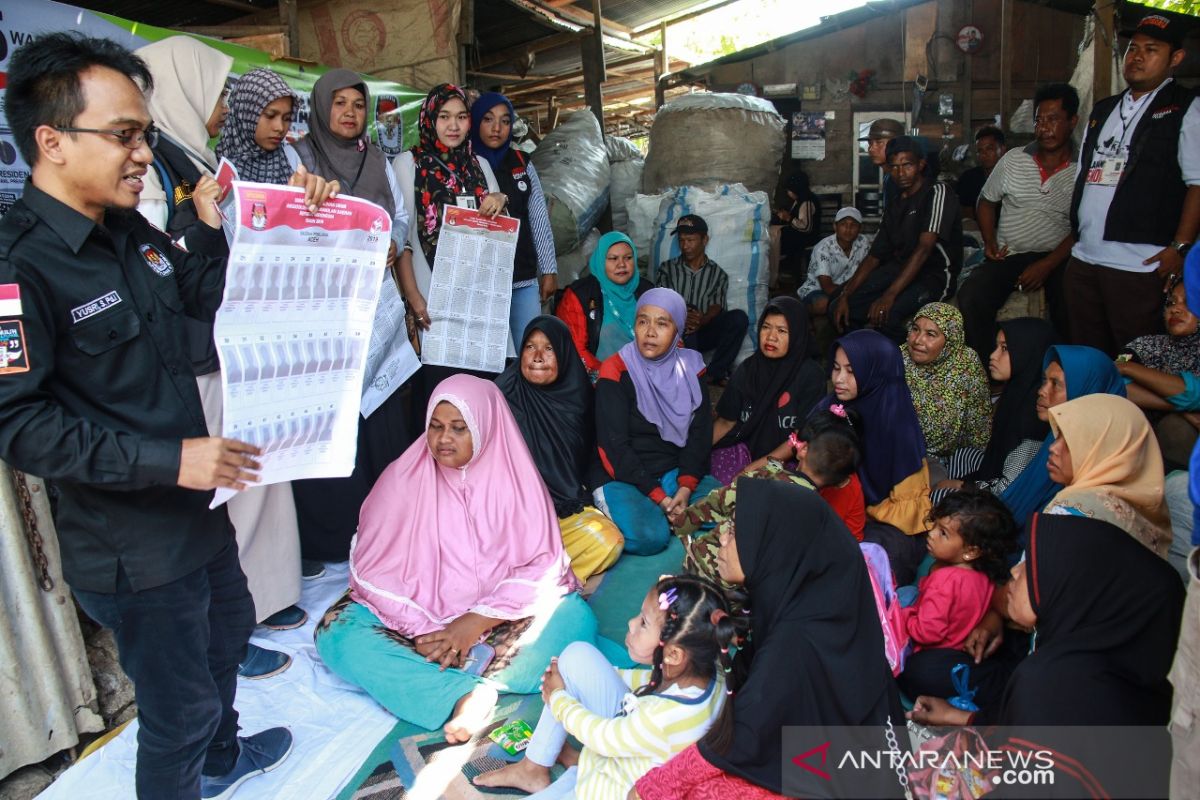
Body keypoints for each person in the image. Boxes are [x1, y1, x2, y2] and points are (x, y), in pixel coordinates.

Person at [0, 33, 339, 797]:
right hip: (131, 547)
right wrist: (171, 459)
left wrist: (293, 220)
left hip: (197, 511)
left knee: (227, 640)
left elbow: (210, 300)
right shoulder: (17, 265)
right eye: (123, 134)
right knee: (176, 711)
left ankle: (221, 760)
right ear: (51, 141)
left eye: (145, 133)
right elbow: (19, 425)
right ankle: (191, 768)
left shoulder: (131, 234)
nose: (142, 152)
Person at [135, 36, 306, 679]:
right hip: (196, 353)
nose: (224, 103)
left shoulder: (189, 155)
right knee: (228, 486)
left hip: (224, 335)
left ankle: (263, 599)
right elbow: (163, 268)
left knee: (255, 470)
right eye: (219, 90)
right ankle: (236, 622)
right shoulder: (154, 167)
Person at [314, 375, 594, 742]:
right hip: (413, 618)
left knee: (574, 618)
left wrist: (471, 625)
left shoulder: (516, 481)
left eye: (459, 428)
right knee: (336, 633)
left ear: (485, 427)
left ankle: (441, 671)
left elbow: (544, 566)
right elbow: (371, 568)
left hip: (496, 618)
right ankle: (464, 692)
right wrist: (425, 629)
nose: (444, 439)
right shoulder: (402, 479)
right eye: (436, 426)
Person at [633, 480, 905, 800]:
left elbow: (746, 733)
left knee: (702, 791)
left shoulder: (797, 640)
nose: (722, 537)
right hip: (841, 744)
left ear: (773, 544)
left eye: (735, 532)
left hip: (842, 771)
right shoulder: (797, 595)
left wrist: (651, 788)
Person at [910, 513, 1183, 799]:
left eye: (1035, 568)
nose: (1015, 573)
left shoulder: (1051, 684)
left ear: (1077, 589)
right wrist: (957, 716)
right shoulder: (1123, 682)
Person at [283, 68, 415, 565]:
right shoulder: (298, 157)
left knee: (380, 417)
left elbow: (399, 216)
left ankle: (389, 529)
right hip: (322, 312)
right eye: (339, 103)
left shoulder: (378, 160)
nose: (349, 113)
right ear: (320, 107)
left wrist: (394, 242)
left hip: (374, 308)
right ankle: (338, 537)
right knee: (334, 420)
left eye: (358, 105)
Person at [473, 575, 740, 799]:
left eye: (643, 623)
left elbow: (603, 737)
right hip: (631, 754)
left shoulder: (662, 716)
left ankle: (573, 765)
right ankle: (534, 768)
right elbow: (650, 682)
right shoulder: (707, 671)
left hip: (609, 789)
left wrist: (559, 698)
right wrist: (587, 679)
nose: (631, 623)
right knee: (576, 656)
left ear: (673, 655)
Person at [1066, 13, 1199, 357]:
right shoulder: (1104, 108)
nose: (1136, 56)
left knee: (1134, 358)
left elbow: (1198, 183)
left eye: (1151, 49)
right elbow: (1084, 172)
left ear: (1176, 59)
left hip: (1138, 263)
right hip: (1085, 258)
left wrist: (1180, 247)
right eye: (1132, 49)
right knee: (1087, 354)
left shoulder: (1186, 107)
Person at [391, 83, 507, 417]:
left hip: (478, 299)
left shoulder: (480, 166)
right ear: (430, 119)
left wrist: (501, 200)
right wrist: (414, 300)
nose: (453, 126)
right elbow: (405, 237)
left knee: (478, 392)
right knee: (438, 394)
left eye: (460, 117)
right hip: (433, 299)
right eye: (444, 116)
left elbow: (500, 232)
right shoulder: (409, 164)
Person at [677, 408, 865, 604]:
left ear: (802, 450)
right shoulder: (820, 517)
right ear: (839, 482)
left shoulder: (764, 475)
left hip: (697, 565)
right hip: (735, 595)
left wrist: (682, 524)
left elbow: (714, 504)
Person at [496, 316, 624, 582]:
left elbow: (592, 455)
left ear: (564, 353)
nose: (538, 356)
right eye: (530, 347)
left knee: (608, 541)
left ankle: (530, 583)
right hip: (507, 513)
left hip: (561, 510)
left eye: (549, 348)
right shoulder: (501, 394)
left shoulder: (581, 396)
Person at [593, 288, 720, 556]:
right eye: (643, 321)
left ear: (678, 331)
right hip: (623, 475)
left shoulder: (690, 367)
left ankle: (672, 510)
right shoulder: (616, 369)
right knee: (650, 538)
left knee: (727, 509)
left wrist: (685, 487)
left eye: (662, 323)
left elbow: (699, 433)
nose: (650, 332)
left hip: (673, 471)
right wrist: (660, 497)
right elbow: (614, 447)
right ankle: (662, 514)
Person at [957, 84, 1079, 362]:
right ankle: (989, 371)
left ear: (1072, 121)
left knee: (1070, 303)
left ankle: (1061, 371)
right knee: (972, 295)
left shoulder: (1083, 167)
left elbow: (1083, 227)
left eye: (1053, 119)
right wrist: (989, 242)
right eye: (1039, 120)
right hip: (1010, 255)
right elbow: (985, 202)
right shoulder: (1013, 159)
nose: (1044, 127)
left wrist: (1046, 265)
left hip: (1058, 257)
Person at [824, 330, 931, 585]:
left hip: (885, 525)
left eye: (851, 371)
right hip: (838, 508)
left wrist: (857, 514)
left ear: (875, 373)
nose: (839, 379)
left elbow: (906, 515)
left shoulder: (898, 426)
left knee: (870, 562)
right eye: (836, 368)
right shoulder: (832, 407)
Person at [831, 137, 962, 341]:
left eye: (907, 165)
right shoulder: (895, 203)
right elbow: (875, 256)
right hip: (901, 270)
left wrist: (889, 295)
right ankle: (858, 364)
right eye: (894, 167)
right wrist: (845, 295)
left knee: (888, 315)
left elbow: (924, 249)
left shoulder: (937, 192)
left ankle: (905, 368)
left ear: (921, 165)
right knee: (842, 307)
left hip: (933, 274)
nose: (900, 173)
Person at [999, 345, 1127, 533]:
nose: (1042, 391)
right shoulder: (1055, 439)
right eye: (1044, 381)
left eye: (1056, 384)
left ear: (1086, 390)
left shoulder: (1095, 470)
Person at [935, 318, 1059, 499]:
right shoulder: (1017, 390)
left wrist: (965, 486)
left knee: (939, 495)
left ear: (1027, 351)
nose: (993, 355)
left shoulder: (1035, 411)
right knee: (962, 455)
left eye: (1005, 349)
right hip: (996, 477)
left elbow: (1010, 487)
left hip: (1005, 496)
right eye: (996, 347)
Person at [471, 92, 558, 346]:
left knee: (528, 348)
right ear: (475, 122)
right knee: (491, 354)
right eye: (488, 119)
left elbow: (539, 218)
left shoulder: (521, 162)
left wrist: (549, 269)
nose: (497, 128)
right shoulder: (466, 165)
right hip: (483, 283)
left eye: (505, 121)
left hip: (523, 277)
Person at [709, 297, 825, 483]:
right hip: (743, 449)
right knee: (713, 486)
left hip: (785, 459)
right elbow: (725, 422)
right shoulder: (749, 369)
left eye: (781, 331)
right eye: (766, 327)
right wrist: (694, 454)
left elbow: (798, 437)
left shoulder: (811, 376)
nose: (771, 337)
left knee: (772, 495)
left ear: (797, 335)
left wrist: (751, 469)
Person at [1044, 393, 1173, 558]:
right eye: (1058, 437)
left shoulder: (1069, 513)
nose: (1053, 448)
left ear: (1107, 450)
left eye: (1071, 441)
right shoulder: (1143, 505)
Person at [900, 490, 1016, 654]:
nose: (931, 534)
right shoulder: (985, 576)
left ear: (971, 551)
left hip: (924, 651)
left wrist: (903, 616)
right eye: (935, 525)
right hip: (954, 649)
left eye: (943, 533)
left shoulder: (944, 581)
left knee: (901, 596)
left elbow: (926, 633)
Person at [654, 214, 749, 385]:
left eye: (690, 240)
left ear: (705, 240)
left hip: (704, 329)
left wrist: (702, 319)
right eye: (681, 240)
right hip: (675, 331)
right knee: (685, 314)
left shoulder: (717, 274)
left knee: (739, 318)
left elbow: (716, 306)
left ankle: (714, 372)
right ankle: (689, 374)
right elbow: (661, 303)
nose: (685, 246)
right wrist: (682, 316)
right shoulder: (667, 269)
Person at [1118, 274, 1200, 468]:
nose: (1176, 309)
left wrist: (1131, 370)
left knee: (1176, 428)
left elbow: (1194, 394)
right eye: (1171, 303)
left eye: (1189, 303)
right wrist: (1184, 409)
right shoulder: (1144, 346)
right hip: (1142, 438)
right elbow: (1116, 383)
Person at [902, 302, 992, 461]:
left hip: (941, 462)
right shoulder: (898, 358)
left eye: (930, 334)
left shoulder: (966, 366)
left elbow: (979, 430)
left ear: (950, 339)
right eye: (915, 329)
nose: (918, 340)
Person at [556, 231, 651, 378]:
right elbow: (576, 348)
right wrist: (609, 376)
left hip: (648, 375)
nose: (621, 264)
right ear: (600, 260)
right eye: (613, 258)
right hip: (601, 380)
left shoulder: (648, 292)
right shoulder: (580, 295)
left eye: (628, 258)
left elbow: (668, 336)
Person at [797, 206, 870, 317]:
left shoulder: (863, 242)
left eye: (853, 225)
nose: (848, 229)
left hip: (850, 289)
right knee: (822, 304)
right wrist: (846, 297)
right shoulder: (823, 248)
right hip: (819, 290)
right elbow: (827, 286)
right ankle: (803, 311)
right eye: (843, 224)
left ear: (860, 228)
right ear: (835, 227)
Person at [769, 171, 821, 287]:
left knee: (777, 237)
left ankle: (781, 272)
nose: (788, 193)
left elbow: (806, 227)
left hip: (807, 237)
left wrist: (788, 218)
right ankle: (778, 272)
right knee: (774, 232)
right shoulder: (799, 200)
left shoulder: (807, 201)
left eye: (789, 190)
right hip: (799, 235)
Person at [956, 125, 1005, 221]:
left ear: (1002, 149)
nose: (984, 154)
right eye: (980, 150)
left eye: (989, 149)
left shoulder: (1014, 176)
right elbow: (967, 214)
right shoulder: (969, 178)